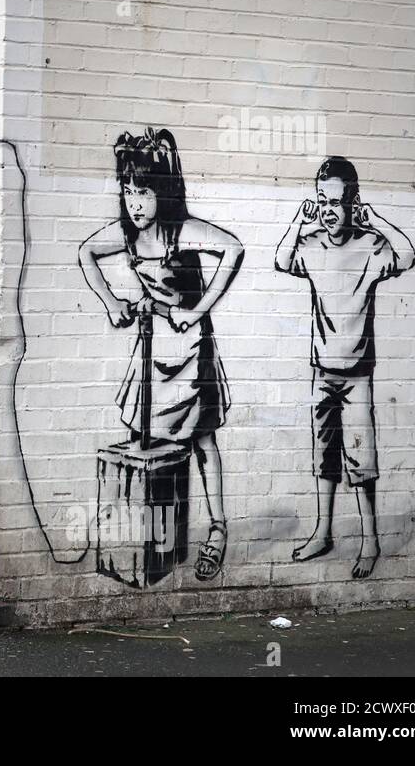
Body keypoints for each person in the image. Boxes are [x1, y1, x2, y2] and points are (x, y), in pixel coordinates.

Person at [79, 127, 245, 581]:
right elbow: (86, 252)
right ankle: (148, 536)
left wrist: (198, 310)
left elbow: (233, 248)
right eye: (128, 191)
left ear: (164, 192)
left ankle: (217, 529)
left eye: (145, 192)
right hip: (152, 346)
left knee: (200, 439)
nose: (135, 202)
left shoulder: (182, 230)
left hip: (189, 349)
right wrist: (114, 303)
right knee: (140, 434)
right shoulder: (128, 235)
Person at [275, 156, 415, 578]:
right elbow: (282, 260)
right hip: (322, 371)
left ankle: (370, 541)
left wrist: (377, 221)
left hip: (356, 375)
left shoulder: (370, 248)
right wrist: (300, 222)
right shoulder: (312, 244)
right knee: (324, 457)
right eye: (324, 201)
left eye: (339, 202)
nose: (330, 211)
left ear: (353, 202)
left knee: (361, 460)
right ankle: (323, 532)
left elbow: (406, 256)